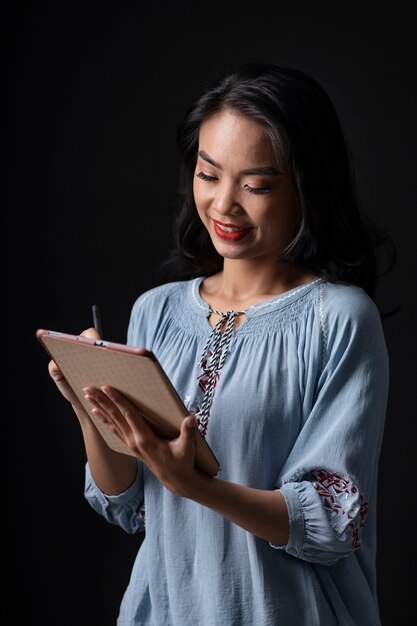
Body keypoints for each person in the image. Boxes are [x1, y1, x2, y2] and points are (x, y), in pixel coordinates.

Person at [48, 62, 395, 625]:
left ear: (309, 186)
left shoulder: (340, 320)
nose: (224, 205)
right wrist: (91, 413)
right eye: (209, 175)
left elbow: (333, 520)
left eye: (255, 184)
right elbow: (129, 505)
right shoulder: (155, 311)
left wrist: (196, 485)